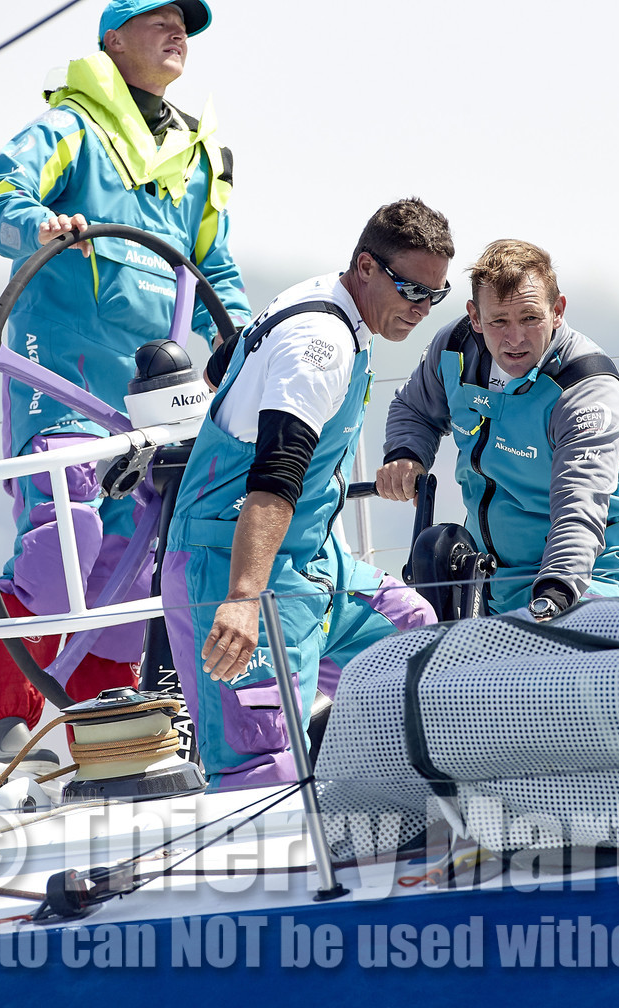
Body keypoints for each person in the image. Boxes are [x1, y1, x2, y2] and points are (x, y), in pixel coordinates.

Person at [0, 0, 251, 761]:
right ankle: (4, 694)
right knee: (68, 533)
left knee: (134, 560)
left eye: (184, 25)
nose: (177, 34)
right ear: (112, 39)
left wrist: (248, 340)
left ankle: (106, 724)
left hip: (149, 394)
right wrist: (39, 224)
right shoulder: (68, 129)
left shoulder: (199, 156)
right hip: (60, 376)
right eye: (157, 20)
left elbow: (213, 264)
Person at [161, 198, 451, 788]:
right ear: (366, 268)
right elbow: (275, 479)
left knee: (414, 639)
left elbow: (227, 365)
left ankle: (384, 806)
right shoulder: (321, 344)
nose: (421, 309)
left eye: (434, 296)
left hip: (315, 563)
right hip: (234, 569)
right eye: (410, 290)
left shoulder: (340, 308)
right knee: (262, 768)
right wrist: (244, 598)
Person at [376, 239, 619, 618]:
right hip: (488, 578)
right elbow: (414, 408)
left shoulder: (588, 391)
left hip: (591, 578)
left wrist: (557, 592)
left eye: (530, 318)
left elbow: (579, 506)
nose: (515, 339)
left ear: (557, 310)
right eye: (499, 321)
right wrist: (406, 453)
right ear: (475, 317)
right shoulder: (453, 348)